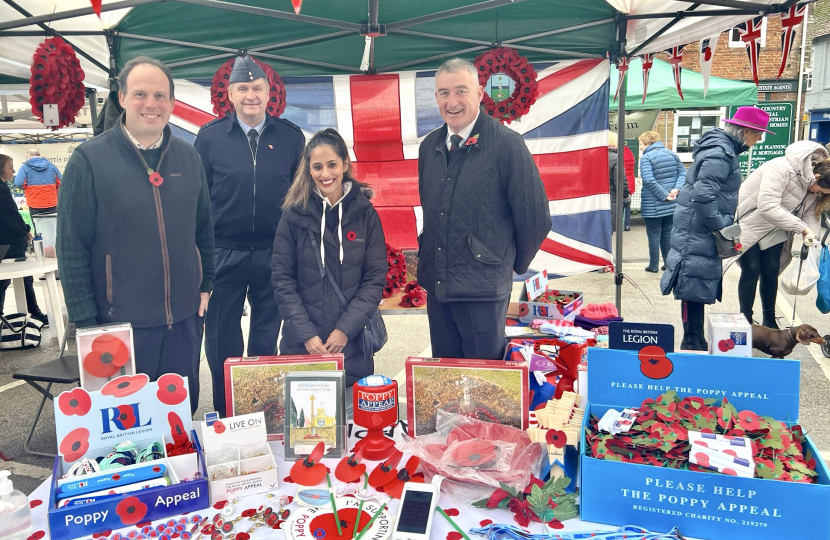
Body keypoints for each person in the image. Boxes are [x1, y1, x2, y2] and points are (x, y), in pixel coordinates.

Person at [57, 57, 215, 414]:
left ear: (172, 103)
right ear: (122, 98)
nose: (151, 104)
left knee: (178, 421)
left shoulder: (189, 158)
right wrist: (86, 323)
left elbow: (204, 228)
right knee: (127, 432)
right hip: (118, 329)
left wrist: (207, 286)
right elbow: (71, 248)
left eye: (160, 95)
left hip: (185, 323)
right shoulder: (89, 160)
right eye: (141, 93)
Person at [418, 58, 550, 360]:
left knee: (483, 390)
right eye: (443, 93)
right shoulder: (430, 147)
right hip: (439, 289)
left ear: (479, 93)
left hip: (483, 292)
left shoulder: (507, 145)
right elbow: (431, 209)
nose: (452, 102)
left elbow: (536, 218)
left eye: (460, 91)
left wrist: (503, 264)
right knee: (446, 383)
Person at [195, 55, 304, 416]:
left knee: (265, 337)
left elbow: (298, 197)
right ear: (230, 93)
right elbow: (200, 200)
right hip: (224, 252)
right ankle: (227, 413)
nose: (251, 95)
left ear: (268, 92)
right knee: (222, 337)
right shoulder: (209, 139)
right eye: (243, 88)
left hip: (274, 252)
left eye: (257, 88)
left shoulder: (290, 137)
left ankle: (260, 412)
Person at [271, 128, 386, 385]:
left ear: (345, 164)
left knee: (350, 421)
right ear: (308, 169)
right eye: (317, 167)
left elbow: (374, 279)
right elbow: (282, 279)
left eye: (332, 165)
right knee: (303, 420)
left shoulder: (366, 214)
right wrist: (305, 334)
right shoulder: (292, 215)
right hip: (301, 346)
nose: (325, 174)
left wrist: (345, 330)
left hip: (351, 346)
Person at [661, 106, 770, 351]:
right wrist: (722, 227)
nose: (759, 140)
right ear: (745, 132)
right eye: (758, 134)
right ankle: (692, 342)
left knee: (694, 285)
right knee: (692, 284)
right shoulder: (722, 153)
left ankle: (695, 339)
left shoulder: (722, 149)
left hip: (696, 227)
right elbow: (703, 195)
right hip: (699, 230)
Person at [727, 142, 830, 328]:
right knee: (750, 269)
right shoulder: (782, 168)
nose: (818, 194)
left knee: (771, 270)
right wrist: (802, 228)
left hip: (776, 226)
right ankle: (746, 320)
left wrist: (813, 237)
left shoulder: (812, 184)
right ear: (816, 177)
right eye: (820, 191)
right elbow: (767, 206)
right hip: (749, 223)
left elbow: (810, 214)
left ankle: (769, 321)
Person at [0, 154, 48, 326]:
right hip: (10, 242)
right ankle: (34, 312)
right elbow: (12, 216)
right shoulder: (2, 190)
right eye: (10, 167)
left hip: (6, 241)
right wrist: (26, 230)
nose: (13, 170)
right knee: (19, 278)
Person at [638, 131, 686, 273]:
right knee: (667, 234)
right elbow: (683, 173)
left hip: (653, 203)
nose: (640, 147)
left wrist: (664, 195)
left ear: (648, 143)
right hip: (672, 203)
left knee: (653, 234)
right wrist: (675, 190)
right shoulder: (672, 154)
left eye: (641, 144)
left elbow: (648, 180)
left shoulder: (646, 158)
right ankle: (668, 263)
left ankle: (653, 265)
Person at [14, 148, 61, 217]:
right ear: (39, 155)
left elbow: (18, 183)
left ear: (28, 156)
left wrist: (26, 188)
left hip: (34, 202)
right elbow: (60, 181)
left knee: (37, 225)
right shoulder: (51, 166)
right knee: (51, 225)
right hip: (51, 202)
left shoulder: (25, 167)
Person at [608, 132, 630, 234]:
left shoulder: (592, 156)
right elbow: (621, 182)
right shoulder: (616, 158)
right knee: (607, 235)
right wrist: (625, 194)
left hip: (592, 201)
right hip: (610, 199)